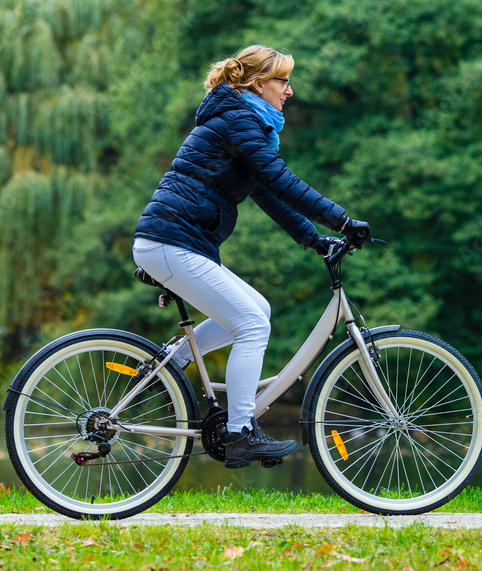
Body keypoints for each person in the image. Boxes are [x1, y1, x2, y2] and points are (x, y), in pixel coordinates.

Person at [132, 44, 368, 469]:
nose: (289, 91)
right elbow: (280, 179)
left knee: (257, 308)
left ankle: (171, 362)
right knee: (253, 324)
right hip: (171, 241)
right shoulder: (239, 120)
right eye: (283, 81)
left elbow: (269, 194)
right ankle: (241, 432)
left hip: (175, 242)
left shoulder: (245, 123)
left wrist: (315, 239)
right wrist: (342, 220)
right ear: (258, 85)